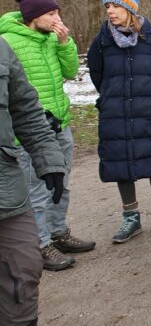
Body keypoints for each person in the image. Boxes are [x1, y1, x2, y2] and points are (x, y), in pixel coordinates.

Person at [0, 0, 95, 271]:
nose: (57, 18)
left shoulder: (53, 39)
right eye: (52, 14)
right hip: (28, 132)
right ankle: (39, 245)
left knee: (60, 184)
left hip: (59, 123)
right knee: (36, 191)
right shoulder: (8, 42)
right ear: (34, 17)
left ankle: (58, 233)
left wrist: (65, 43)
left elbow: (70, 72)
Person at [87, 0, 151, 244]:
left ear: (130, 8)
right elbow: (97, 73)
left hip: (147, 109)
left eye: (115, 5)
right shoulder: (102, 40)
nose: (110, 11)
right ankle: (131, 217)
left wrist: (149, 97)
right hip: (115, 110)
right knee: (120, 160)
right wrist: (113, 97)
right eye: (107, 6)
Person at [0, 37, 67, 326]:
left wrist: (48, 158)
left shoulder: (1, 48)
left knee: (23, 268)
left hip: (6, 188)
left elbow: (25, 108)